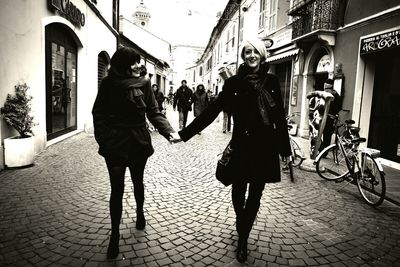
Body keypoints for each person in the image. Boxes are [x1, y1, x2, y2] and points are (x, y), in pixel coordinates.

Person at [178, 38, 291, 263]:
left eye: (255, 52)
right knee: (239, 192)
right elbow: (212, 111)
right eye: (247, 52)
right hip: (241, 146)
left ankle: (243, 237)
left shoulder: (272, 81)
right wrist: (184, 134)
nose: (251, 56)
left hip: (265, 147)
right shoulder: (233, 84)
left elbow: (279, 117)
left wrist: (284, 149)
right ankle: (243, 224)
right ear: (243, 56)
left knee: (256, 194)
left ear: (262, 55)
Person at [92, 47, 181, 259]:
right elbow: (99, 113)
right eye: (133, 62)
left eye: (138, 62)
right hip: (115, 143)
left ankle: (140, 212)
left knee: (138, 181)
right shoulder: (107, 84)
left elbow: (153, 111)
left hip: (138, 141)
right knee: (117, 189)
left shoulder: (144, 83)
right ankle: (114, 235)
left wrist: (168, 131)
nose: (137, 66)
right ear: (122, 64)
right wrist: (104, 139)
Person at [319, 78, 341, 151]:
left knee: (322, 133)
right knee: (327, 135)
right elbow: (339, 106)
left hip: (325, 116)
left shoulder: (326, 93)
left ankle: (323, 150)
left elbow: (321, 106)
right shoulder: (336, 94)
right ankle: (324, 149)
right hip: (331, 117)